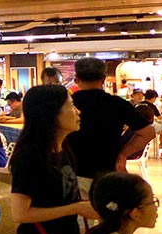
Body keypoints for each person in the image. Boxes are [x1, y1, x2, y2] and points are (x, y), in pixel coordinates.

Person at [6, 84, 100, 234]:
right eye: (71, 106)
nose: (78, 112)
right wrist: (76, 208)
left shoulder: (63, 150)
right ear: (51, 113)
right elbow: (20, 213)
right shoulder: (29, 156)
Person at [66, 58, 154, 190]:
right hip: (109, 171)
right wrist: (123, 154)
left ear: (76, 79)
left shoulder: (66, 105)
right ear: (103, 79)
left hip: (73, 172)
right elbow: (148, 132)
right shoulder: (118, 104)